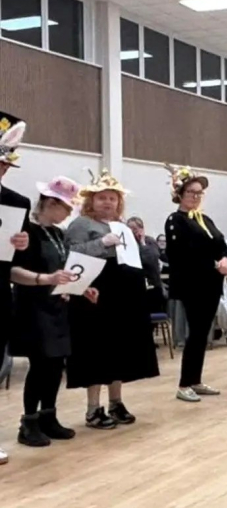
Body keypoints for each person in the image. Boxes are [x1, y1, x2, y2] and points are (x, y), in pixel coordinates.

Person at [66, 169, 159, 428]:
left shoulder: (122, 226)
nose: (107, 202)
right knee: (97, 349)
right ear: (91, 200)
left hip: (123, 291)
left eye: (112, 198)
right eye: (102, 198)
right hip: (95, 290)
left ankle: (116, 402)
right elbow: (70, 253)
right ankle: (93, 408)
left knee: (119, 348)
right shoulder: (81, 224)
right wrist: (102, 243)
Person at [10, 177, 98, 447]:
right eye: (66, 208)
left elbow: (64, 270)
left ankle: (48, 415)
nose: (69, 213)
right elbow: (13, 271)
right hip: (33, 307)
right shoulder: (27, 232)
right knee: (40, 365)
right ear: (50, 203)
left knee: (56, 365)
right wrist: (45, 279)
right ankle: (28, 421)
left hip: (57, 306)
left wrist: (80, 287)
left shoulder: (58, 234)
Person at [164, 164, 227, 402]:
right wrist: (213, 263)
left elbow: (221, 243)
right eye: (191, 192)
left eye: (199, 193)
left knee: (202, 333)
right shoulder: (175, 220)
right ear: (180, 194)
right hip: (192, 285)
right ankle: (184, 383)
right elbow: (182, 254)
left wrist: (224, 258)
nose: (195, 196)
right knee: (195, 333)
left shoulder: (204, 219)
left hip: (211, 284)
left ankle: (195, 379)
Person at [0, 111, 31, 464]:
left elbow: (12, 259)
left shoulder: (16, 202)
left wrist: (21, 244)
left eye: (6, 164)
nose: (2, 169)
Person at [127, 216, 166, 315]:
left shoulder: (150, 241)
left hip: (152, 284)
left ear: (141, 229)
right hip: (135, 285)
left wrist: (142, 243)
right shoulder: (127, 244)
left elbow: (151, 259)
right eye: (129, 229)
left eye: (134, 229)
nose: (132, 232)